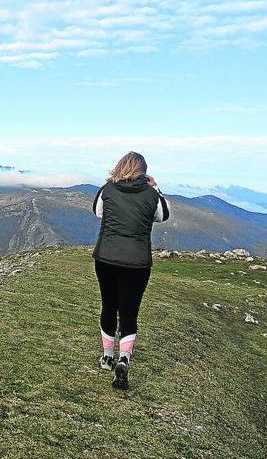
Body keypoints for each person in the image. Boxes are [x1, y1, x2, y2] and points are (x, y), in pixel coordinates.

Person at [91, 151, 169, 390]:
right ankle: (123, 359)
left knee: (108, 305)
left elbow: (98, 212)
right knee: (129, 311)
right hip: (137, 264)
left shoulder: (107, 190)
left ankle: (107, 358)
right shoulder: (151, 194)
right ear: (144, 172)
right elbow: (163, 216)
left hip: (106, 259)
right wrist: (156, 188)